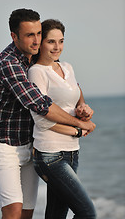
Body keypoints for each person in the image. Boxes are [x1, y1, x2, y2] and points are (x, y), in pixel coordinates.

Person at [0, 9, 95, 219]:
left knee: (27, 213)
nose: (36, 41)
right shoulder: (9, 63)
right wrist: (79, 126)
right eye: (29, 35)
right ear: (14, 36)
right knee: (14, 212)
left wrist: (83, 107)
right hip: (2, 144)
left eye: (38, 34)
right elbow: (40, 104)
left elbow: (69, 84)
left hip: (29, 145)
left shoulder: (34, 59)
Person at [28, 19, 97, 219]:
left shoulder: (67, 67)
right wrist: (78, 129)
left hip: (72, 152)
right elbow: (42, 120)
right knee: (87, 212)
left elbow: (77, 100)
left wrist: (84, 110)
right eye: (51, 41)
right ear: (41, 43)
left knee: (56, 215)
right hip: (50, 155)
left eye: (61, 41)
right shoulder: (36, 72)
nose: (57, 47)